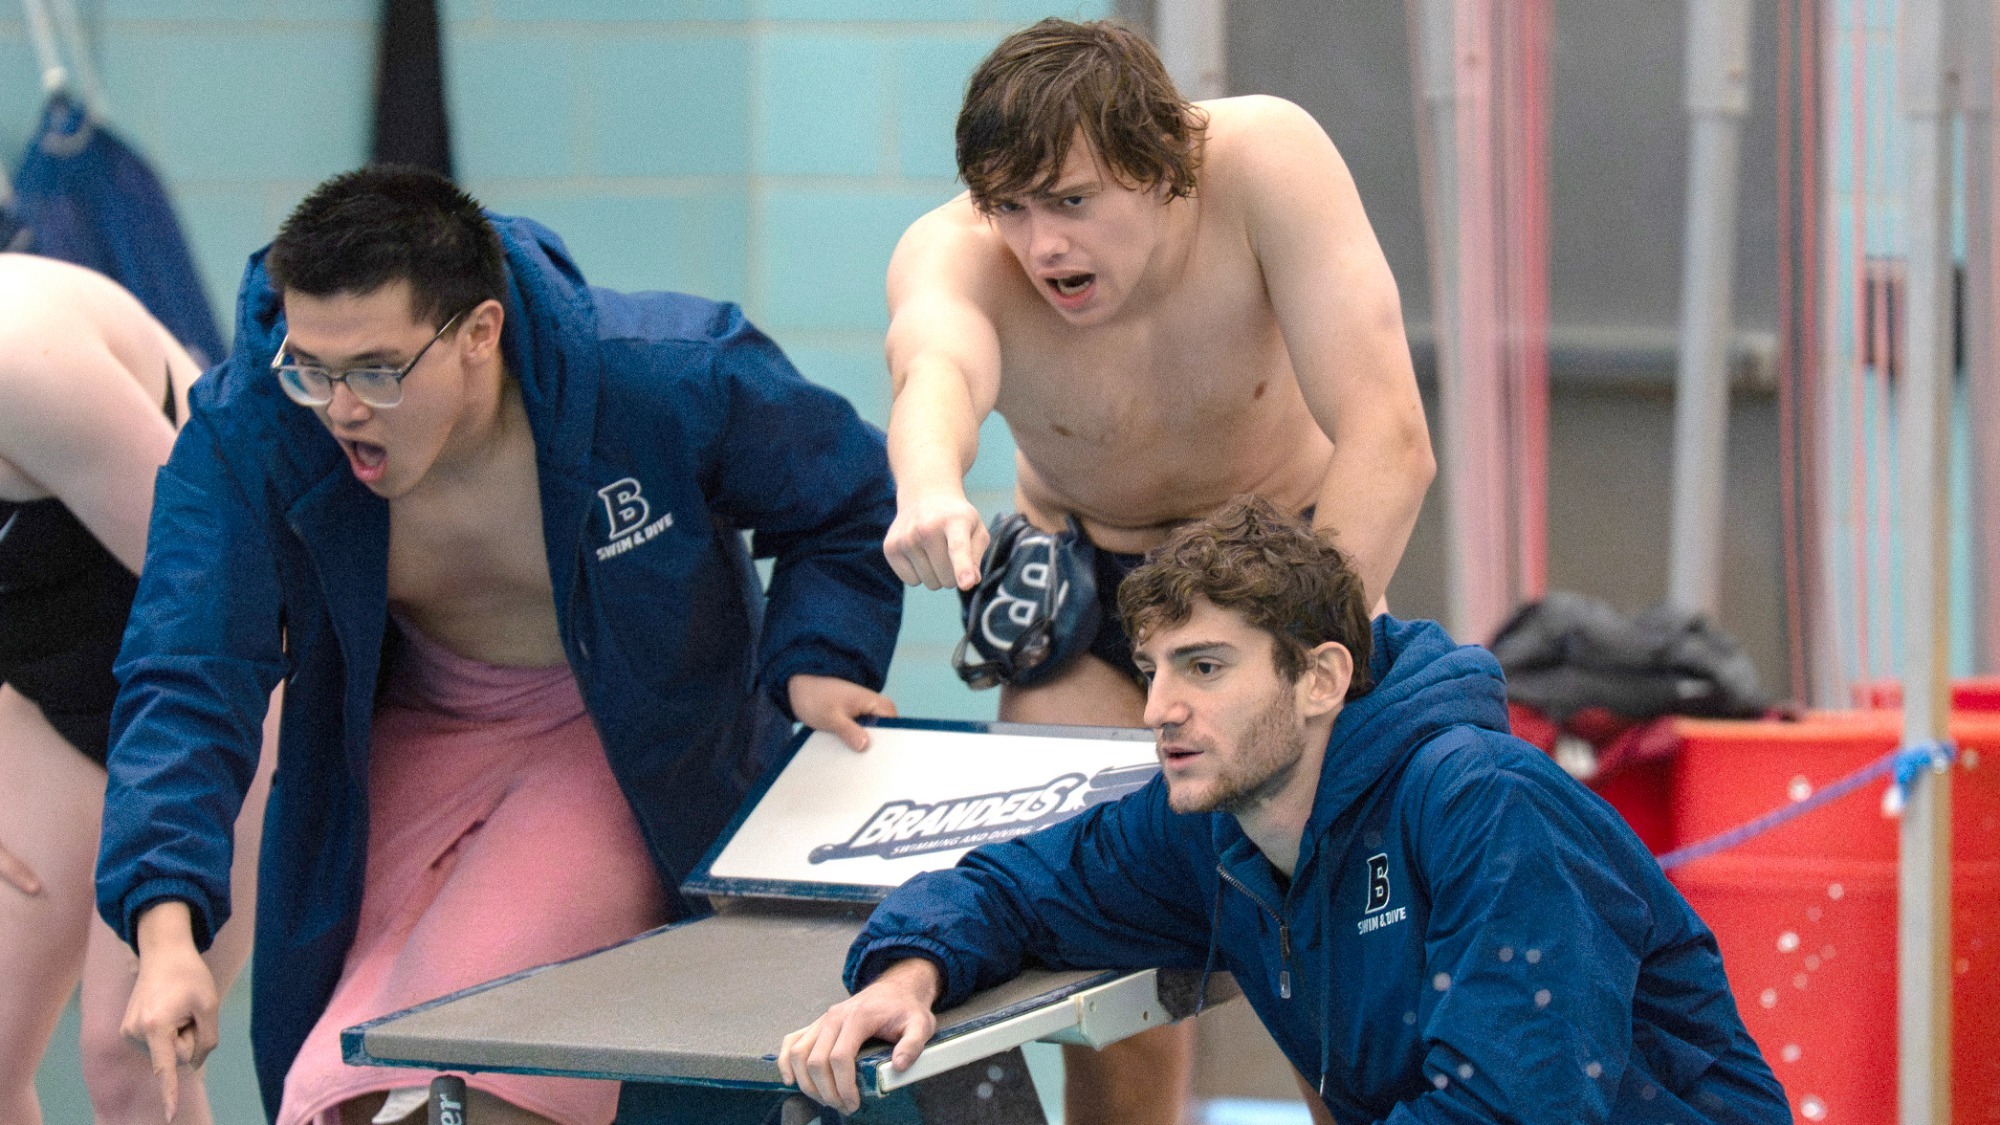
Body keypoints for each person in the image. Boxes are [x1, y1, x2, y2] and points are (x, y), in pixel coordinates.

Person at [96, 167, 904, 1125]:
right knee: (339, 1093)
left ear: (478, 332)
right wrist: (167, 927)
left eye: (378, 370)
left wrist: (820, 653)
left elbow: (850, 497)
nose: (341, 407)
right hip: (418, 733)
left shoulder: (655, 374)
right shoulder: (254, 430)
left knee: (468, 1064)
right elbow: (186, 670)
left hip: (618, 730)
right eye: (311, 365)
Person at [783, 497, 1792, 1124]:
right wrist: (905, 973)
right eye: (1153, 669)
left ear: (1319, 680)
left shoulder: (1480, 803)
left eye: (1205, 668)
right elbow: (1013, 888)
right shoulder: (1213, 823)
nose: (1158, 708)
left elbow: (1511, 1109)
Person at [879, 19, 1434, 1119]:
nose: (1041, 248)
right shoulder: (954, 250)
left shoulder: (1264, 162)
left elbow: (1390, 437)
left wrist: (1290, 657)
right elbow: (934, 363)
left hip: (1291, 576)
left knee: (1339, 972)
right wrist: (930, 485)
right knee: (1102, 967)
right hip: (1096, 608)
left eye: (1071, 202)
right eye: (1012, 207)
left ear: (1165, 171)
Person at [0, 253, 278, 1125]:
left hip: (229, 680)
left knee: (129, 1054)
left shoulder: (23, 360)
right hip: (57, 693)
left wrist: (163, 908)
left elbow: (230, 590)